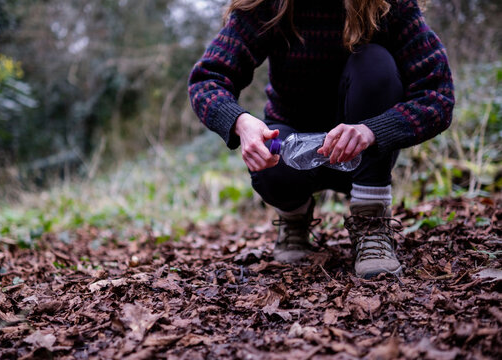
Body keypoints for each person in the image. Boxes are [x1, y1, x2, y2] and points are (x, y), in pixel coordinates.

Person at [188, 0, 454, 278]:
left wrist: (372, 130)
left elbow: (438, 95)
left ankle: (372, 219)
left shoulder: (388, 6)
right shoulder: (267, 6)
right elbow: (207, 80)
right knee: (271, 165)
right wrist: (240, 123)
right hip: (292, 146)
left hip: (364, 152)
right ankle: (294, 217)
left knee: (374, 62)